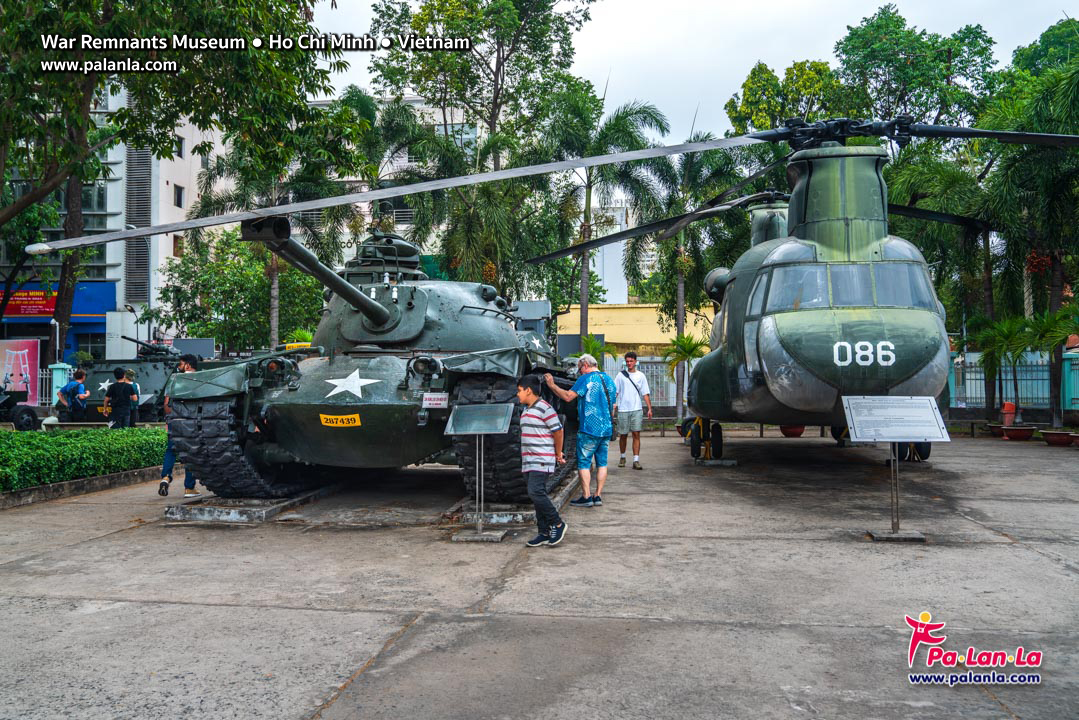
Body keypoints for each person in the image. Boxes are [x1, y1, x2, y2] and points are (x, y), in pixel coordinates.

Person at [544, 353, 617, 508]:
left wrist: (552, 385)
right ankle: (598, 495)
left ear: (585, 365)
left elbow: (568, 396)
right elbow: (614, 406)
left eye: (579, 369)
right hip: (606, 428)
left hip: (589, 428)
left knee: (584, 463)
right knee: (602, 463)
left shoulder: (586, 379)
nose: (579, 372)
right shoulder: (609, 380)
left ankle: (586, 496)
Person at [516, 374, 567, 547]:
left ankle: (557, 523)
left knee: (535, 492)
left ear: (528, 390)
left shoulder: (545, 408)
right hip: (529, 461)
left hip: (541, 459)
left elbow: (558, 430)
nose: (517, 394)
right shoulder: (527, 409)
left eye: (519, 390)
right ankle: (543, 532)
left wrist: (558, 453)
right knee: (537, 495)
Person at [159, 354, 202, 499]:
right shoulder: (200, 380)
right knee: (191, 454)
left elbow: (166, 405)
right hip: (191, 423)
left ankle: (165, 477)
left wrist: (171, 418)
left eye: (181, 364)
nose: (179, 366)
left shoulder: (175, 379)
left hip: (174, 421)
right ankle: (189, 488)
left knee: (171, 450)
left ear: (188, 365)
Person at [614, 351, 653, 469]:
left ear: (635, 362)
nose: (629, 363)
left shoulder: (641, 376)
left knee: (636, 433)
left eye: (631, 361)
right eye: (627, 361)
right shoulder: (620, 375)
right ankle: (622, 457)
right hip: (623, 409)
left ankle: (636, 460)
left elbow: (645, 393)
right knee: (623, 435)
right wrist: (613, 404)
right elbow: (615, 392)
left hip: (636, 409)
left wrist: (649, 408)